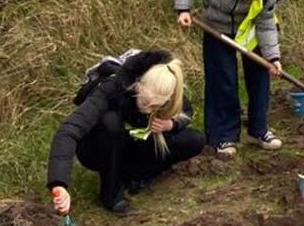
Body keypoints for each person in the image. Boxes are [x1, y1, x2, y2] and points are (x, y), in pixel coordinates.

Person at [47, 50, 205, 214]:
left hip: (128, 141)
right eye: (145, 102)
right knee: (110, 121)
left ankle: (134, 176)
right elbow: (69, 130)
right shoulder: (112, 87)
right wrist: (59, 183)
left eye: (156, 106)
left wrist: (170, 125)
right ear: (138, 85)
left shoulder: (167, 82)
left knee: (194, 140)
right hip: (97, 146)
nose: (148, 110)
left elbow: (186, 113)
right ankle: (111, 193)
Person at [175, 0, 285, 160]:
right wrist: (183, 9)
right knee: (223, 81)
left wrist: (273, 58)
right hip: (218, 29)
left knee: (261, 76)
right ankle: (223, 137)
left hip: (251, 31)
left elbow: (266, 23)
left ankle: (259, 131)